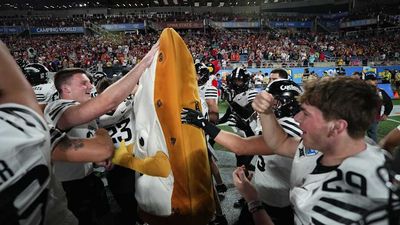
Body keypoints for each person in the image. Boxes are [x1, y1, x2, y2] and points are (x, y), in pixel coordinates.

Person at [0, 41, 114, 225]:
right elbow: (101, 147)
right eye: (84, 83)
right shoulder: (44, 110)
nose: (90, 87)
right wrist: (101, 132)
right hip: (65, 186)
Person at [44, 42, 158, 225]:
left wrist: (97, 158)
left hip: (88, 180)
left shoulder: (81, 109)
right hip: (68, 189)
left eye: (90, 82)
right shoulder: (56, 107)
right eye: (84, 83)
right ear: (66, 89)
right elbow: (108, 103)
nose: (90, 86)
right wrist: (144, 62)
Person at [249, 76, 389, 224]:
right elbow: (279, 143)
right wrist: (266, 112)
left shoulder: (346, 198)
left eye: (306, 113)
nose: (297, 118)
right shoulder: (328, 147)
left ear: (337, 127)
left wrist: (253, 203)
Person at [181, 79, 302, 225]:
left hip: (277, 204)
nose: (268, 105)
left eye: (273, 102)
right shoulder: (282, 123)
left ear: (286, 104)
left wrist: (204, 124)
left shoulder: (289, 129)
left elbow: (241, 146)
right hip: (264, 192)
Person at [96, 77, 138, 225]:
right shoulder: (130, 104)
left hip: (118, 160)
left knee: (124, 199)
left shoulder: (96, 114)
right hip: (130, 157)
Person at [364, 72, 393, 143]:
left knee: (365, 136)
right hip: (362, 119)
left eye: (375, 80)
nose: (375, 81)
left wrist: (386, 114)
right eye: (373, 80)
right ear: (367, 81)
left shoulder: (380, 92)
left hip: (370, 119)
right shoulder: (379, 92)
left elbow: (389, 103)